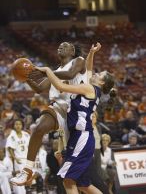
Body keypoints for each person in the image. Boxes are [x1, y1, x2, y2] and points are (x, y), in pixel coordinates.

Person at [10, 41, 90, 185]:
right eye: (59, 45)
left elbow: (70, 74)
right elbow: (40, 88)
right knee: (38, 128)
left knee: (78, 180)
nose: (60, 46)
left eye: (65, 45)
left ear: (72, 51)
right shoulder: (54, 70)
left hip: (76, 114)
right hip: (58, 109)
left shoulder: (79, 61)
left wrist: (46, 71)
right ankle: (28, 171)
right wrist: (25, 76)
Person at [33, 64, 114, 194]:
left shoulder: (89, 88)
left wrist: (48, 70)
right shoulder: (93, 90)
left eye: (99, 75)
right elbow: (88, 68)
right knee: (83, 185)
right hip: (79, 137)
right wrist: (92, 53)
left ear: (102, 82)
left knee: (68, 180)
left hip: (82, 138)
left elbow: (60, 86)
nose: (95, 73)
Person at [6, 119, 30, 194]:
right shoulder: (12, 136)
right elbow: (10, 149)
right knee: (19, 177)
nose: (18, 126)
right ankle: (20, 192)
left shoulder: (26, 134)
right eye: (16, 124)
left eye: (19, 124)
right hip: (18, 159)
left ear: (22, 125)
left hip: (27, 159)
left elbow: (30, 147)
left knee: (28, 178)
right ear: (14, 126)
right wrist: (15, 158)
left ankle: (28, 191)